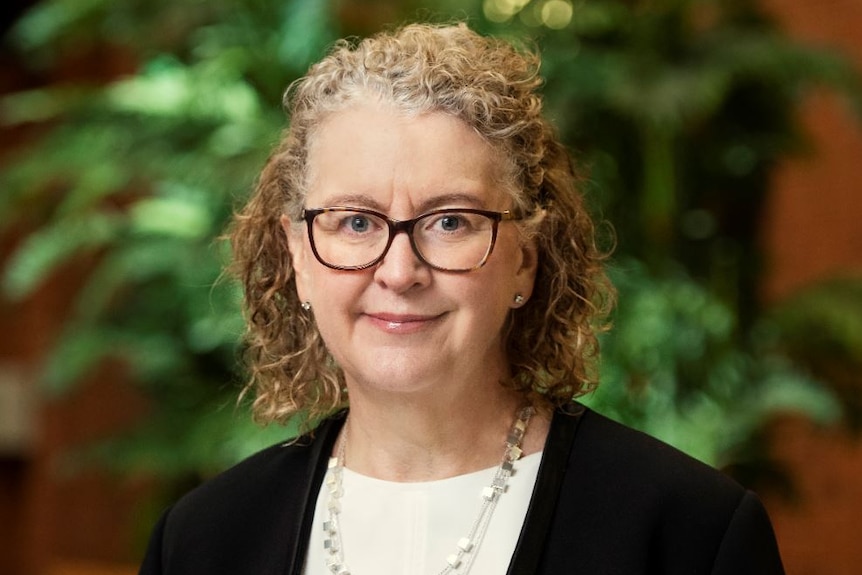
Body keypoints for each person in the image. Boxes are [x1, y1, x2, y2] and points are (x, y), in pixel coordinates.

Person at [139, 22, 785, 575]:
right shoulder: (201, 543)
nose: (400, 270)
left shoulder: (689, 537)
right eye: (356, 222)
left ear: (524, 261)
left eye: (450, 221)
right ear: (300, 258)